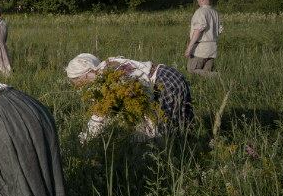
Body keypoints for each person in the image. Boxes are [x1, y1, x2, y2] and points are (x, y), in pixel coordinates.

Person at [65, 53, 193, 139]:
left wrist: (87, 138)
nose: (80, 88)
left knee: (169, 129)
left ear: (82, 76)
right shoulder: (101, 79)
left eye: (77, 83)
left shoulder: (107, 73)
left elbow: (100, 113)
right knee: (165, 130)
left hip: (165, 81)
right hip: (163, 79)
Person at [185, 0, 222, 76]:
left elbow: (198, 30)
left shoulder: (201, 12)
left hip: (200, 49)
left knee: (191, 71)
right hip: (212, 49)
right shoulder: (215, 13)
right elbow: (220, 30)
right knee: (204, 77)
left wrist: (189, 47)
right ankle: (214, 77)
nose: (197, 0)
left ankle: (216, 75)